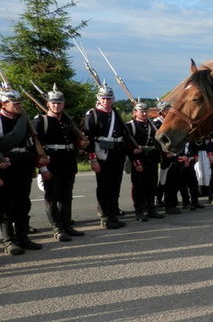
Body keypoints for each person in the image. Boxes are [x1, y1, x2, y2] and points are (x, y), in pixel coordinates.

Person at [33, 85, 87, 241]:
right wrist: (43, 168)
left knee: (66, 196)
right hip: (52, 163)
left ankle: (66, 225)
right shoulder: (41, 121)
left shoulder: (67, 121)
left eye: (59, 103)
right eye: (54, 103)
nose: (57, 106)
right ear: (48, 104)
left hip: (68, 162)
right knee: (52, 197)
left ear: (64, 104)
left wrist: (81, 143)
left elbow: (73, 141)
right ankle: (57, 228)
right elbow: (36, 146)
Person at [0, 88, 47, 254]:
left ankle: (22, 237)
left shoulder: (23, 120)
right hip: (5, 168)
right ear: (3, 104)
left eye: (20, 103)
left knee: (23, 203)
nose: (19, 105)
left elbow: (32, 142)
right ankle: (9, 241)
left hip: (23, 166)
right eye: (15, 103)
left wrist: (41, 162)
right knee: (6, 205)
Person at [84, 85, 129, 229]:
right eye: (103, 98)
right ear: (98, 98)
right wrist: (93, 159)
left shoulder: (115, 113)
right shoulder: (92, 114)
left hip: (117, 154)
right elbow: (89, 139)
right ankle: (105, 217)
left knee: (115, 186)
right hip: (102, 155)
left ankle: (113, 214)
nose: (106, 101)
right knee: (104, 187)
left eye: (109, 98)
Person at [126, 101, 164, 221]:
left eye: (145, 111)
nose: (144, 113)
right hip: (139, 159)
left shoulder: (151, 125)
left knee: (152, 185)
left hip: (152, 159)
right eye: (141, 111)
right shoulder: (130, 126)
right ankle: (139, 211)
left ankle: (151, 209)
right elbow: (128, 146)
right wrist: (135, 160)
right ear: (135, 112)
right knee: (139, 187)